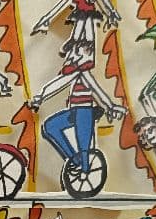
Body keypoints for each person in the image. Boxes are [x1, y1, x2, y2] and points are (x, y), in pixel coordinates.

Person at [31, 38, 125, 173]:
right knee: (50, 126)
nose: (75, 57)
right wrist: (39, 97)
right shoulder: (75, 72)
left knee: (83, 143)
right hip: (74, 111)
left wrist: (110, 106)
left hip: (84, 111)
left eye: (80, 54)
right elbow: (58, 83)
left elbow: (97, 90)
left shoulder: (84, 73)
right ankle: (74, 159)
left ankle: (85, 166)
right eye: (75, 54)